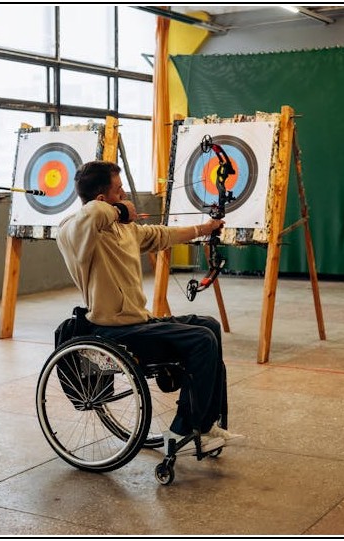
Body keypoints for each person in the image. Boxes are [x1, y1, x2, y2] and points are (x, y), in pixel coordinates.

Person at [56, 160, 244, 455]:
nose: (126, 197)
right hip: (112, 331)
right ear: (104, 198)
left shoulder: (124, 231)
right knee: (200, 340)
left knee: (208, 325)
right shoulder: (74, 231)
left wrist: (204, 228)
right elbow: (91, 213)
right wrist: (119, 210)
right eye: (120, 191)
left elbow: (162, 235)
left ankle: (205, 424)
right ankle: (183, 429)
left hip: (139, 323)